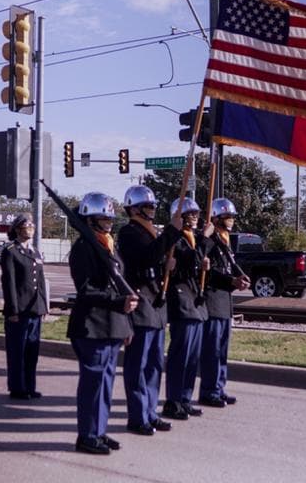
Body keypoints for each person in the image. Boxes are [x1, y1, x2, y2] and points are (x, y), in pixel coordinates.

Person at [67, 192, 137, 455]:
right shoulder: (83, 247)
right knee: (93, 384)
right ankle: (87, 436)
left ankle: (99, 431)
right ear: (89, 219)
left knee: (106, 383)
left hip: (112, 325)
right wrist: (118, 303)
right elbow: (85, 290)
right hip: (92, 326)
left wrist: (126, 324)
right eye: (102, 218)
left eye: (109, 218)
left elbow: (121, 285)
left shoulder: (108, 244)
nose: (108, 223)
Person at [116, 185, 182, 436]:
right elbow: (144, 259)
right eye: (148, 206)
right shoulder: (129, 232)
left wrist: (168, 265)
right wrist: (172, 234)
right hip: (141, 304)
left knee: (155, 365)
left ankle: (150, 412)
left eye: (153, 206)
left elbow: (156, 260)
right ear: (134, 208)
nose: (153, 209)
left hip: (156, 306)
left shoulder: (153, 233)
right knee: (138, 366)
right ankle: (137, 416)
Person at [162, 197, 211, 421]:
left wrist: (203, 264)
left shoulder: (192, 239)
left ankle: (185, 398)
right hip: (181, 300)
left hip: (194, 300)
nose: (196, 217)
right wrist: (205, 240)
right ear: (179, 217)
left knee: (192, 357)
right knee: (180, 355)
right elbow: (188, 261)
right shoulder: (177, 238)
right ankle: (173, 401)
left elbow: (195, 264)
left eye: (196, 213)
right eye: (190, 214)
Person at [199, 198, 250, 408]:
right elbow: (208, 271)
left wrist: (241, 277)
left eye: (232, 217)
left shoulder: (225, 240)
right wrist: (231, 281)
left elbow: (230, 265)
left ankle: (219, 388)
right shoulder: (210, 240)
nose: (231, 221)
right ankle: (208, 391)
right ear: (217, 218)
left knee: (222, 349)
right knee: (212, 351)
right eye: (227, 217)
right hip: (212, 300)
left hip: (225, 301)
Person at [1, 212, 48, 399]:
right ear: (17, 229)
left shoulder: (35, 251)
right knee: (17, 350)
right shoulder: (11, 251)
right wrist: (12, 309)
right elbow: (9, 282)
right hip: (19, 310)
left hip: (34, 308)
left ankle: (30, 386)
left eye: (32, 227)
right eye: (27, 226)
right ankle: (17, 387)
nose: (30, 230)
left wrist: (44, 305)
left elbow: (41, 281)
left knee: (31, 350)